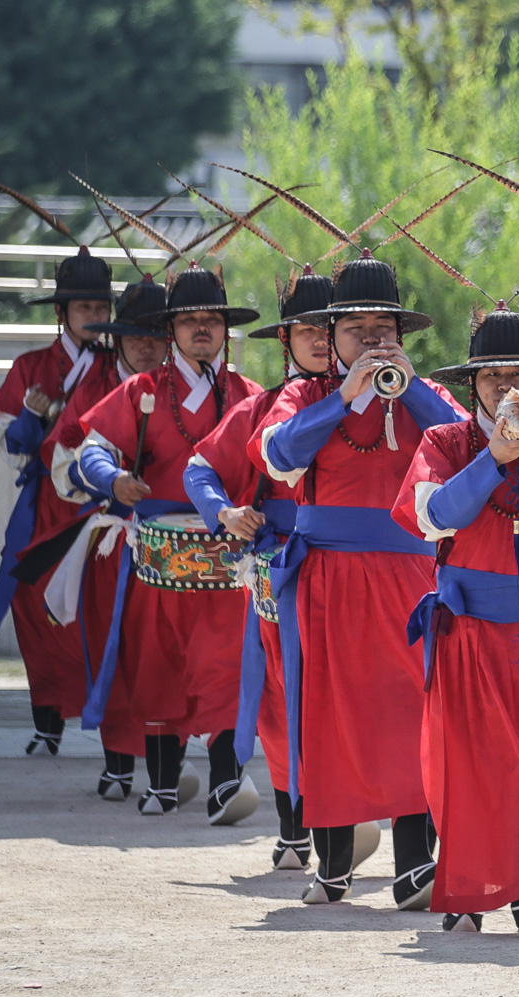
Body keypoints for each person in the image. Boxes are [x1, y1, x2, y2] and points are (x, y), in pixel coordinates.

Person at [255, 255, 461, 906]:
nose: (371, 340)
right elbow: (280, 455)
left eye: (383, 327)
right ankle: (334, 862)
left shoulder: (420, 391)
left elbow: (465, 440)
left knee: (411, 715)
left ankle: (413, 865)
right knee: (331, 716)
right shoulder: (306, 395)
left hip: (408, 573)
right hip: (328, 576)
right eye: (356, 329)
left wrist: (407, 381)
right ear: (330, 334)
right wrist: (347, 395)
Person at [394, 307, 519, 937]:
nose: (504, 386)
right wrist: (494, 458)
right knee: (468, 765)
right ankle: (479, 890)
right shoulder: (445, 441)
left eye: (516, 373)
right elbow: (431, 516)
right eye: (491, 375)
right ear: (472, 384)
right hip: (466, 628)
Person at [66, 267, 261, 821]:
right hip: (157, 549)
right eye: (190, 319)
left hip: (227, 551)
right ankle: (163, 782)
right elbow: (92, 449)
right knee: (159, 665)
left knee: (225, 665)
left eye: (212, 319)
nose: (203, 328)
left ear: (225, 328)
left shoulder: (248, 395)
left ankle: (225, 784)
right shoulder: (143, 392)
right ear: (171, 328)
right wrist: (112, 480)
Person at [184, 271, 341, 867]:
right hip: (282, 565)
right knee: (283, 696)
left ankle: (386, 829)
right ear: (286, 339)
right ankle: (296, 824)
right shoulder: (261, 409)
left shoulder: (386, 402)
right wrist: (224, 510)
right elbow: (199, 468)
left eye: (332, 327)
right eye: (307, 328)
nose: (320, 339)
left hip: (365, 569)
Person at [0, 247, 115, 757]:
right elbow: (7, 437)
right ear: (61, 313)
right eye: (83, 308)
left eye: (101, 307)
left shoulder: (116, 367)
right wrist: (31, 424)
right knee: (35, 611)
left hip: (100, 509)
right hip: (44, 511)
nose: (95, 318)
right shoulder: (32, 366)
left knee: (99, 614)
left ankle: (114, 729)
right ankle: (47, 720)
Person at [42, 278, 158, 799]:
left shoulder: (199, 386)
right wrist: (107, 478)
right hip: (114, 538)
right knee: (114, 650)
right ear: (117, 339)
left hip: (186, 546)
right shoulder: (97, 391)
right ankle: (117, 760)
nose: (148, 345)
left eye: (159, 332)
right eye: (136, 335)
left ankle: (181, 765)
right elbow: (63, 462)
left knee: (168, 656)